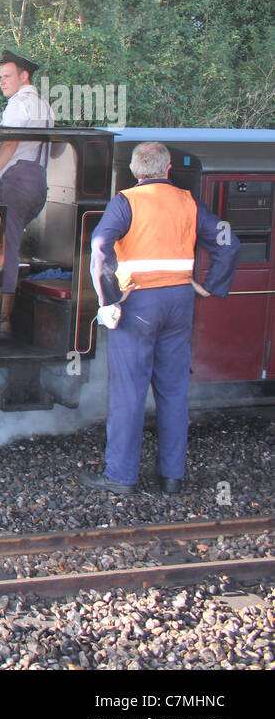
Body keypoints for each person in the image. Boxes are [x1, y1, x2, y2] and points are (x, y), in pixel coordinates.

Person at [82, 141, 238, 495]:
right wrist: (211, 286)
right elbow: (228, 241)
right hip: (180, 302)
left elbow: (100, 249)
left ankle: (121, 476)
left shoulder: (126, 201)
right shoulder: (187, 200)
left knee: (129, 392)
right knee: (172, 391)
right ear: (168, 169)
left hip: (137, 304)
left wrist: (107, 300)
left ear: (135, 171)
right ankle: (171, 477)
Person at [0, 50, 54, 335]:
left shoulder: (19, 105)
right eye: (0, 77)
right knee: (5, 245)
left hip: (17, 181)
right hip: (37, 180)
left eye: (7, 76)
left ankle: (1, 320)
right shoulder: (44, 105)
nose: (2, 82)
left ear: (24, 76)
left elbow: (9, 145)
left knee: (5, 247)